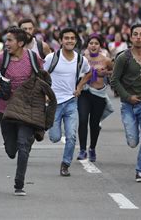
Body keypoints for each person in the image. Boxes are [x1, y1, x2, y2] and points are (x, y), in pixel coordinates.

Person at [0, 26, 44, 196]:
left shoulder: (33, 58)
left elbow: (43, 77)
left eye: (10, 40)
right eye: (6, 40)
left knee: (23, 145)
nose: (6, 43)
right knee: (12, 151)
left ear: (20, 43)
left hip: (27, 110)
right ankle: (24, 142)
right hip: (6, 110)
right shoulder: (1, 58)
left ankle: (19, 184)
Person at [110, 24, 141, 183]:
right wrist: (128, 97)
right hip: (128, 106)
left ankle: (140, 171)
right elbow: (114, 80)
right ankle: (132, 129)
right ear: (130, 38)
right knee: (132, 142)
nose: (138, 37)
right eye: (135, 34)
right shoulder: (124, 58)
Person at [44, 27, 91, 177]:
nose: (69, 40)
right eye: (66, 38)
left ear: (76, 41)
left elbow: (89, 72)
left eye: (72, 38)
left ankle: (65, 164)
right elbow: (41, 75)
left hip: (71, 101)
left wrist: (79, 86)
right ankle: (56, 129)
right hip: (53, 103)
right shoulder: (52, 58)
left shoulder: (80, 59)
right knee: (55, 137)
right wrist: (45, 93)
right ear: (60, 41)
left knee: (71, 136)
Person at [77, 35, 113, 162]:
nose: (93, 45)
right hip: (85, 93)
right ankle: (82, 150)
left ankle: (92, 148)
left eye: (96, 43)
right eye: (91, 43)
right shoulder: (82, 59)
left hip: (99, 94)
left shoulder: (106, 60)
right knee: (82, 119)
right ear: (87, 45)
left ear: (100, 46)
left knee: (94, 123)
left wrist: (105, 73)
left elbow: (114, 71)